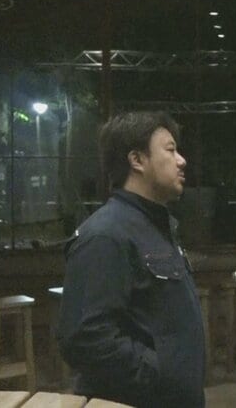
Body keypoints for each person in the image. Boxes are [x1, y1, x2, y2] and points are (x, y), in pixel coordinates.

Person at [57, 112, 205, 407]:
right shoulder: (106, 235)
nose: (181, 160)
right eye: (170, 150)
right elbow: (86, 338)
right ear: (137, 160)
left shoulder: (156, 227)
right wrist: (161, 373)